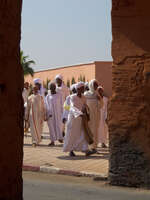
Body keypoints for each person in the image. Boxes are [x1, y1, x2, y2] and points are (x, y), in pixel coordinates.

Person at [63, 82, 94, 157]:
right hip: (73, 119)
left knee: (82, 134)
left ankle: (85, 150)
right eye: (81, 88)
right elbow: (70, 107)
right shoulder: (71, 97)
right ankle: (71, 150)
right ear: (77, 89)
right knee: (72, 135)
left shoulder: (84, 97)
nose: (83, 89)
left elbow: (85, 107)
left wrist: (87, 114)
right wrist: (79, 114)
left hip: (82, 119)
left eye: (83, 88)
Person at [84, 79, 103, 152]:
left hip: (96, 116)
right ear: (91, 85)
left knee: (95, 130)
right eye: (94, 85)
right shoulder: (86, 94)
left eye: (96, 85)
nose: (96, 86)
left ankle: (94, 147)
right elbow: (83, 104)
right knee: (89, 130)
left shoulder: (97, 94)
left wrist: (100, 99)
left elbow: (101, 106)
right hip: (89, 116)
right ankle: (88, 147)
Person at [45, 82, 63, 146]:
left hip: (58, 114)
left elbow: (62, 104)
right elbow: (46, 106)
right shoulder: (47, 96)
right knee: (51, 127)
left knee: (59, 126)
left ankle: (60, 138)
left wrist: (63, 113)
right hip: (51, 114)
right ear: (49, 88)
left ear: (55, 87)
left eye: (53, 86)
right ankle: (52, 141)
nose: (52, 88)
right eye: (51, 87)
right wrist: (48, 113)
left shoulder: (59, 95)